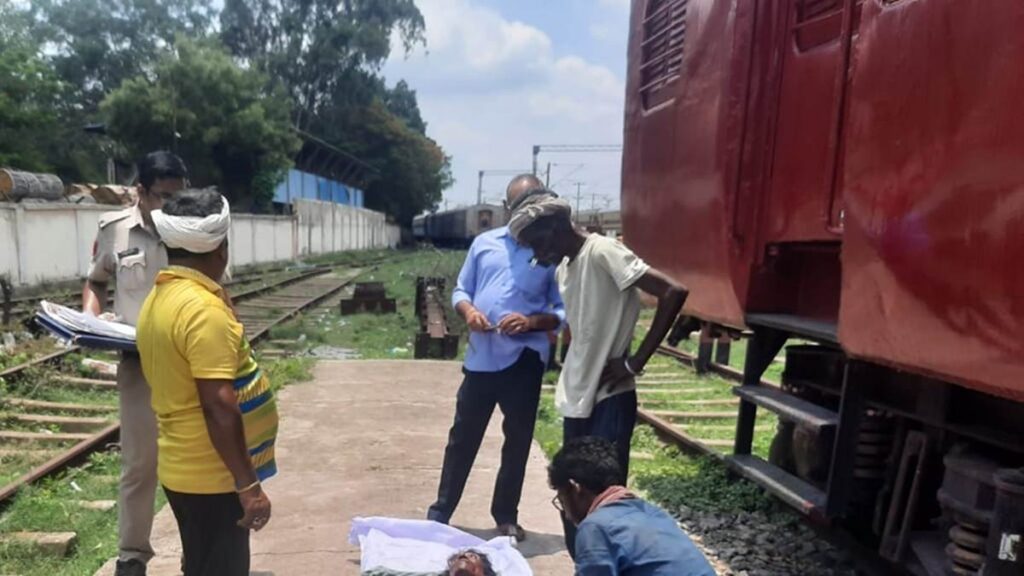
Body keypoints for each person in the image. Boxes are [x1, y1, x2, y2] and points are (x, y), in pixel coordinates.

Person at [508, 192, 687, 556]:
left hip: (609, 397)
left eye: (537, 243)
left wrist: (634, 362)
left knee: (603, 500)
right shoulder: (565, 268)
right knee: (570, 494)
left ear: (556, 226)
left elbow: (673, 291)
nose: (537, 255)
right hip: (577, 397)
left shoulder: (603, 251)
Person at [136, 189, 278, 576]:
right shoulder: (201, 310)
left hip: (184, 468)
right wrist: (248, 486)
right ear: (221, 248)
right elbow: (218, 405)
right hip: (213, 476)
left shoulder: (160, 298)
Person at [427, 174, 565, 542]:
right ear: (508, 209)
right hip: (482, 359)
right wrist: (469, 312)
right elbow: (461, 290)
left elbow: (562, 311)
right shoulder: (484, 244)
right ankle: (441, 512)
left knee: (517, 440)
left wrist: (531, 322)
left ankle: (505, 514)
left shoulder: (550, 253)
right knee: (463, 437)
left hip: (524, 359)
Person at [82, 151, 188, 576]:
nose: (173, 206)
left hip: (188, 365)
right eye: (164, 197)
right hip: (138, 364)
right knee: (140, 464)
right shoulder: (114, 230)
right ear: (140, 191)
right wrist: (90, 319)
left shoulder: (193, 226)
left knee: (192, 462)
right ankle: (132, 556)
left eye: (179, 196)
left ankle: (197, 552)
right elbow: (96, 281)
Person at [549, 437, 715, 576]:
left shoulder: (596, 527)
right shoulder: (651, 512)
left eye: (561, 498)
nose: (567, 515)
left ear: (575, 489)